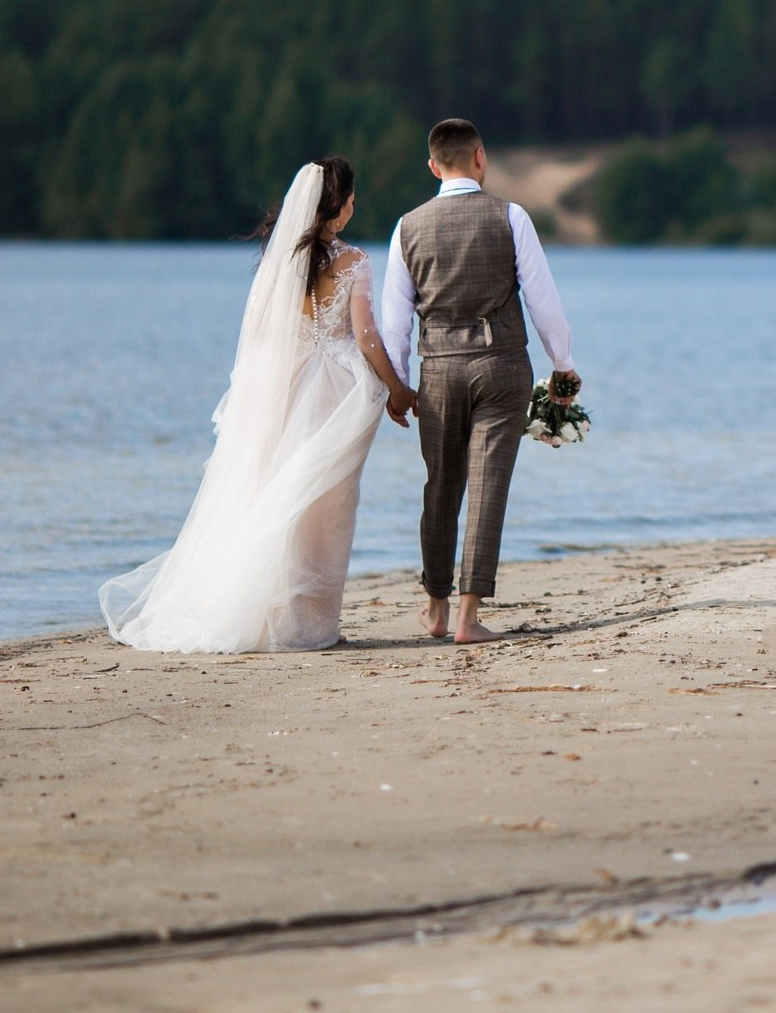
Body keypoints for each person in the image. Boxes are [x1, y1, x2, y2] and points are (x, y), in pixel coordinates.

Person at [99, 159, 416, 652]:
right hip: (336, 393)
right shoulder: (353, 261)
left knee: (279, 497)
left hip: (284, 386)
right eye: (352, 200)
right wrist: (398, 389)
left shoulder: (282, 262)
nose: (354, 209)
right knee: (327, 508)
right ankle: (313, 623)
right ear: (337, 205)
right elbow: (367, 338)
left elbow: (263, 335)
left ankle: (275, 618)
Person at [378, 118, 582, 645]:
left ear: (432, 166)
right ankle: (469, 618)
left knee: (440, 487)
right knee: (488, 488)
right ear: (480, 157)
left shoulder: (407, 227)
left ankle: (436, 609)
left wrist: (397, 385)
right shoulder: (511, 216)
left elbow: (394, 322)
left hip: (439, 369)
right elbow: (542, 299)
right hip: (501, 367)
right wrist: (562, 363)